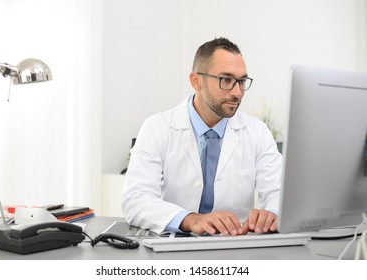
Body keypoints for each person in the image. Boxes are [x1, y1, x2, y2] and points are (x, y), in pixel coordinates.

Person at [121, 37, 282, 236]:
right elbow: (136, 199)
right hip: (172, 243)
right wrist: (190, 219)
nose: (237, 92)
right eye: (226, 80)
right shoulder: (157, 128)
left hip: (236, 244)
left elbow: (279, 191)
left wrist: (272, 212)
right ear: (196, 81)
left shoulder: (257, 132)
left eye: (241, 81)